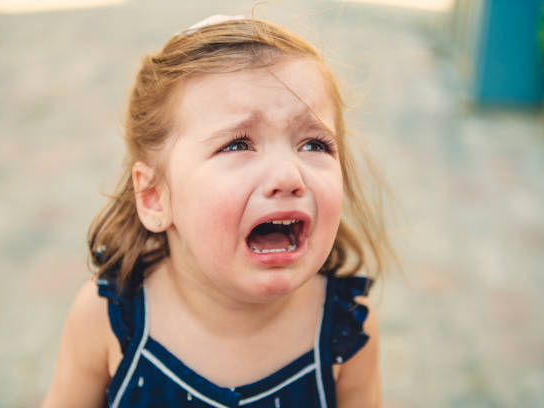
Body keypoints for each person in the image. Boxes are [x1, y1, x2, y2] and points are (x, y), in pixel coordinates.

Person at [42, 15, 392, 408]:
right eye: (238, 145)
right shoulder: (106, 320)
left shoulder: (345, 333)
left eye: (314, 145)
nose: (288, 175)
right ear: (156, 197)